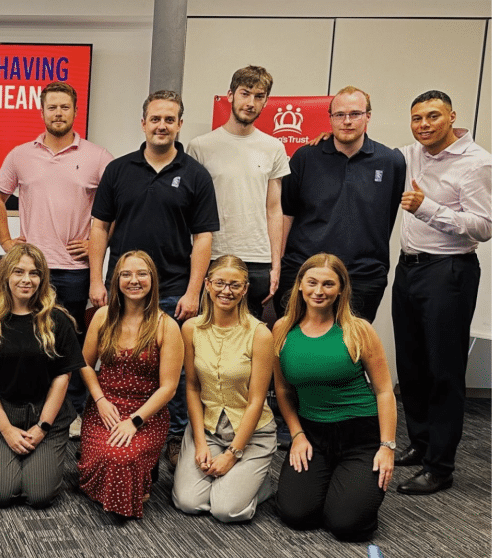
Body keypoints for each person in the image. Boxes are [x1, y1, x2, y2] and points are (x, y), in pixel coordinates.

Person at [90, 90, 219, 468]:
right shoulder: (119, 170)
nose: (162, 125)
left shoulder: (195, 175)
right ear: (143, 123)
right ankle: (106, 428)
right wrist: (98, 281)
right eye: (155, 119)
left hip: (174, 290)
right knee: (116, 364)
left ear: (179, 125)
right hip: (122, 290)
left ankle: (173, 437)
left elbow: (204, 237)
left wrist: (195, 291)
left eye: (170, 119)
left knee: (175, 374)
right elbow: (99, 226)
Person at [0, 81, 113, 420]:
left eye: (65, 107)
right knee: (32, 342)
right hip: (33, 272)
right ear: (42, 111)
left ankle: (71, 415)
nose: (58, 113)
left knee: (70, 345)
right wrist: (5, 241)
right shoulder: (20, 155)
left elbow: (116, 204)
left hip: (76, 272)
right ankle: (34, 409)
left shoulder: (98, 156)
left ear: (75, 111)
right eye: (52, 107)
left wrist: (96, 243)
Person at [392, 90, 491, 495]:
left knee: (443, 371)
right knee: (411, 365)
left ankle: (440, 467)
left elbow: (484, 226)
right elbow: (370, 151)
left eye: (432, 116)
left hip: (449, 271)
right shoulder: (411, 153)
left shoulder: (477, 162)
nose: (424, 125)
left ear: (452, 116)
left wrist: (426, 207)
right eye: (416, 118)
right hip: (409, 267)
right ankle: (420, 443)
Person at [273, 253, 396, 541]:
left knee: (346, 525)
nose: (319, 291)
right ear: (300, 286)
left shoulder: (358, 330)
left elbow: (384, 391)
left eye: (328, 284)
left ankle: (351, 494)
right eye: (312, 282)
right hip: (313, 435)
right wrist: (297, 435)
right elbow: (283, 390)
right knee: (296, 515)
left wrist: (387, 446)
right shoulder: (282, 329)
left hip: (360, 436)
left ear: (341, 289)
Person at [0, 243, 82, 508]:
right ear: (6, 276)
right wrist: (6, 430)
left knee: (39, 495)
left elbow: (63, 378)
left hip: (46, 416)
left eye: (34, 273)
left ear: (43, 279)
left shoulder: (58, 321)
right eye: (18, 272)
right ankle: (11, 460)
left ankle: (32, 463)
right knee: (0, 493)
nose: (26, 280)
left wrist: (42, 428)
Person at [277, 86, 405, 322]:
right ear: (330, 118)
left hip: (363, 276)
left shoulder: (391, 161)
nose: (347, 121)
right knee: (293, 349)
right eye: (339, 115)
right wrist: (277, 267)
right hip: (303, 272)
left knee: (349, 352)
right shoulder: (305, 157)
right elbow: (286, 214)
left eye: (355, 114)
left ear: (368, 116)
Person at [172, 256, 277, 522]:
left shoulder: (260, 334)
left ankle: (261, 483)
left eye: (234, 285)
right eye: (219, 283)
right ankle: (234, 482)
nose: (226, 291)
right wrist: (198, 443)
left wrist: (232, 455)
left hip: (251, 433)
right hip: (208, 428)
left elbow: (256, 401)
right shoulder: (191, 328)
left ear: (245, 289)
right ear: (207, 284)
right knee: (188, 502)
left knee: (225, 510)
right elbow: (193, 388)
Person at [77, 250, 181, 518]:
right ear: (117, 280)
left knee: (120, 458)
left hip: (146, 413)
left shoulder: (166, 325)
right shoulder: (102, 316)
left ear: (152, 280)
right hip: (105, 407)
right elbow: (85, 364)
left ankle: (137, 474)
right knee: (104, 457)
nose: (134, 280)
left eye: (141, 274)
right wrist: (99, 400)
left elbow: (168, 388)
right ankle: (138, 476)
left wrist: (135, 421)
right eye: (126, 274)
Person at [186, 66, 289, 318]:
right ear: (230, 95)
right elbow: (191, 210)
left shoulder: (273, 147)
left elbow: (274, 210)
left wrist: (276, 266)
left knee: (249, 341)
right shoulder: (201, 146)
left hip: (257, 258)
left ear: (266, 101)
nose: (251, 103)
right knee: (207, 336)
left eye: (259, 96)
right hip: (214, 255)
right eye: (245, 93)